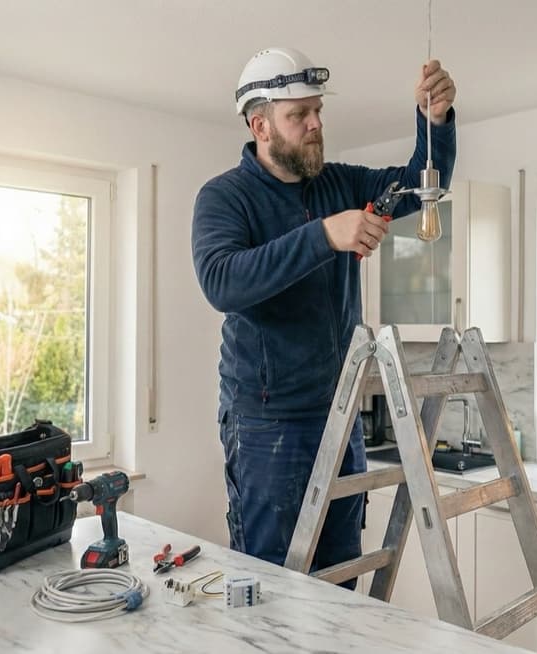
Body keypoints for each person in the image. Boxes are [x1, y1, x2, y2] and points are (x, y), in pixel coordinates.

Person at [191, 46, 457, 585]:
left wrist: (435, 123)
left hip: (339, 412)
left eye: (317, 111)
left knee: (342, 576)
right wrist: (323, 236)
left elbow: (419, 184)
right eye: (299, 115)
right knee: (269, 582)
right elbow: (222, 282)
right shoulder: (224, 197)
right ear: (259, 124)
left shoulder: (339, 183)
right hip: (268, 422)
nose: (315, 125)